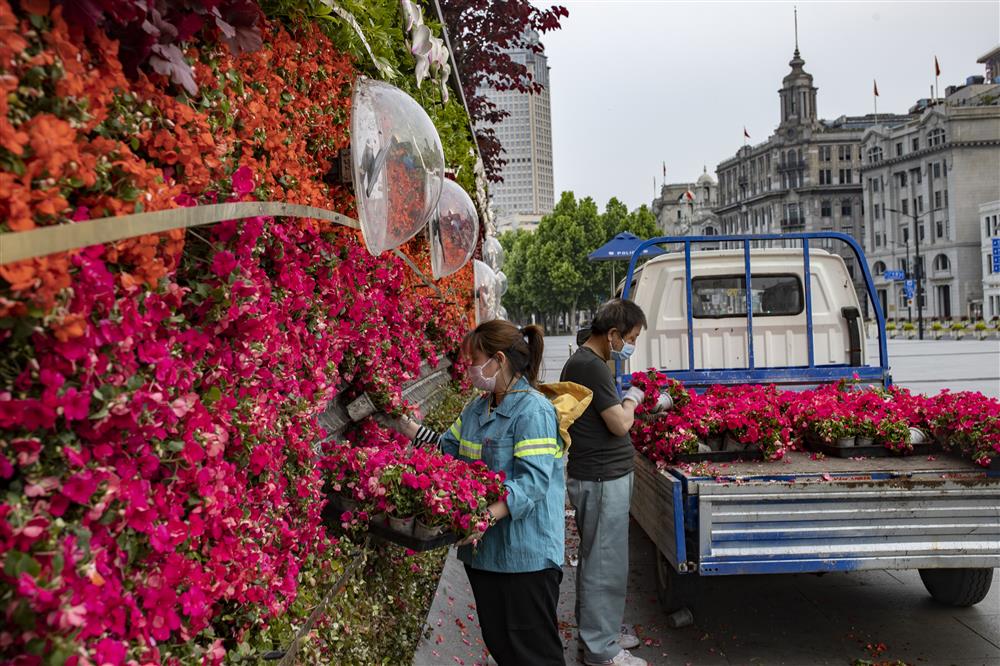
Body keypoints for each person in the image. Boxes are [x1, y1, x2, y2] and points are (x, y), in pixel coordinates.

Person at [393, 320, 566, 666]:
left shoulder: (533, 410)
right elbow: (448, 448)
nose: (469, 369)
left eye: (474, 360)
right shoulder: (477, 408)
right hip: (485, 555)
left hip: (525, 556)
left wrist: (486, 515)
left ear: (498, 360)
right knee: (502, 645)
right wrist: (403, 424)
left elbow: (533, 482)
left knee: (534, 653)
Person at [560, 298, 667, 666]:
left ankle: (599, 631)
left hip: (603, 474)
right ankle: (600, 649)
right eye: (630, 338)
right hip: (602, 476)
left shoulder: (590, 362)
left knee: (602, 560)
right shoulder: (590, 366)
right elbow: (619, 424)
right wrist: (633, 399)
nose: (630, 345)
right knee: (604, 562)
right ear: (612, 334)